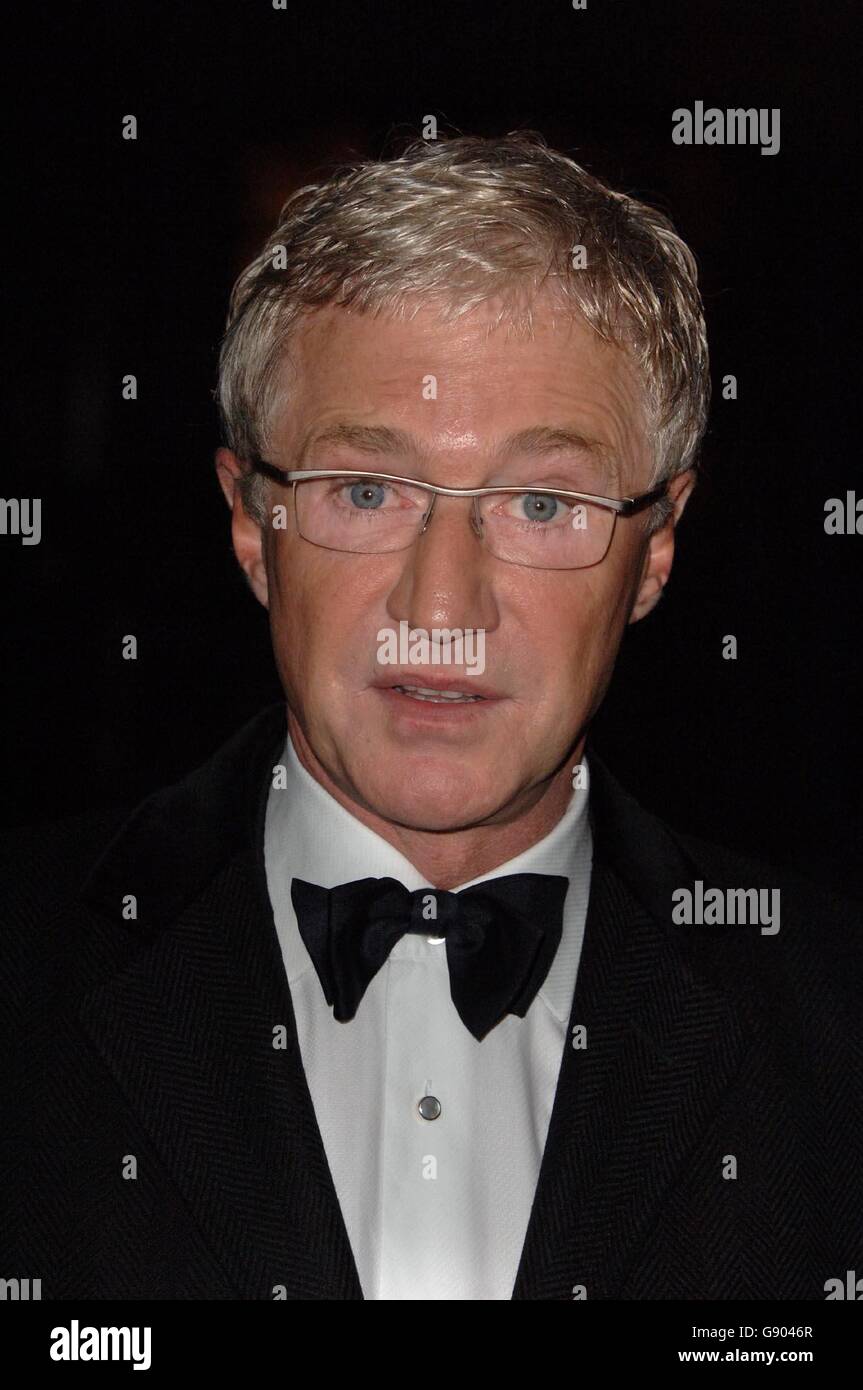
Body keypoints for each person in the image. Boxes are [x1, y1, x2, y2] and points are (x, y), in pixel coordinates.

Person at [3, 133, 860, 1301]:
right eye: (366, 490)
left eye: (541, 501)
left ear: (653, 552)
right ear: (254, 525)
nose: (441, 606)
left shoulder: (830, 1027)